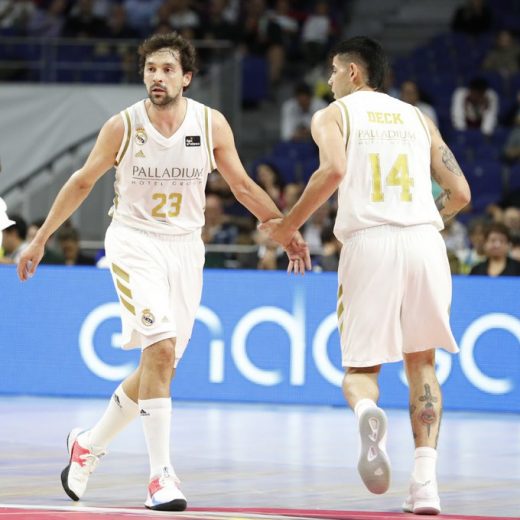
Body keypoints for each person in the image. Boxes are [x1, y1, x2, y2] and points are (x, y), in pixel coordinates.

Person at [17, 32, 310, 512]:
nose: (157, 76)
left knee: (162, 365)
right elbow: (82, 180)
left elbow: (240, 184)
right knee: (161, 348)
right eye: (151, 69)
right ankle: (160, 477)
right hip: (134, 243)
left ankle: (87, 446)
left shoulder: (211, 124)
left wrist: (284, 227)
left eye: (168, 69)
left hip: (185, 249)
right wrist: (42, 236)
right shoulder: (123, 125)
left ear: (187, 77)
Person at [260, 36, 471, 515]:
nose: (329, 81)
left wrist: (286, 227)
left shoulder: (335, 115)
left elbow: (333, 171)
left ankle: (368, 413)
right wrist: (426, 218)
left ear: (353, 73)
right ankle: (425, 487)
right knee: (422, 366)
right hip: (424, 241)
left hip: (370, 243)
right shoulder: (420, 118)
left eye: (333, 71)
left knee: (361, 371)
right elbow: (460, 193)